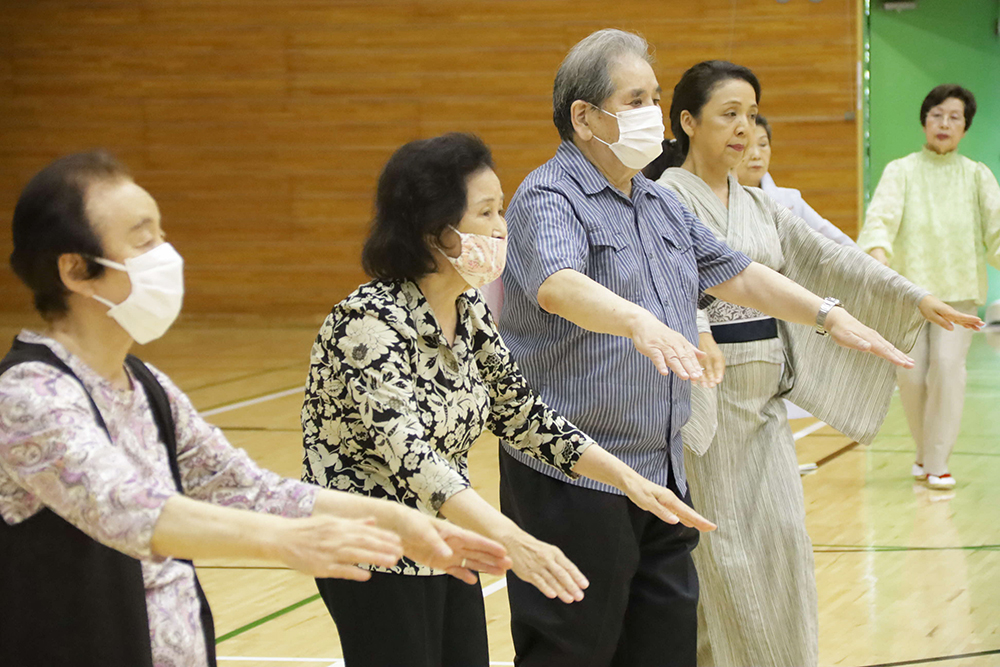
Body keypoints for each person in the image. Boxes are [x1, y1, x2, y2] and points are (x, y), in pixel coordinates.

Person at [496, 30, 962, 667]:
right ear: (585, 116)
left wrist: (828, 314)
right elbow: (557, 285)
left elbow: (738, 273)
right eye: (635, 100)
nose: (651, 116)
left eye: (654, 100)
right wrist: (640, 321)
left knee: (663, 645)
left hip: (662, 469)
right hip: (577, 472)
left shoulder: (655, 201)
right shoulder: (548, 196)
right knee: (572, 649)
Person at [0, 151, 509, 667]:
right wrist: (286, 540)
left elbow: (246, 486)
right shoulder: (30, 397)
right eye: (143, 238)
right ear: (76, 270)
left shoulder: (146, 385)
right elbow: (132, 511)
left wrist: (396, 520)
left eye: (162, 233)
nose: (166, 253)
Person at [300, 132, 715, 667]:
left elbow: (524, 416)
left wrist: (627, 479)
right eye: (487, 213)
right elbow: (416, 462)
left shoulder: (468, 310)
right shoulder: (368, 323)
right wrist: (512, 538)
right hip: (373, 547)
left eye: (503, 209)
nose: (503, 227)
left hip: (444, 540)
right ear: (435, 232)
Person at [653, 60, 982, 667]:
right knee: (727, 561)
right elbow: (668, 286)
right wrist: (696, 327)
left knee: (785, 548)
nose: (745, 130)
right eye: (729, 115)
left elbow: (835, 258)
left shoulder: (759, 201)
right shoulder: (665, 200)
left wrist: (912, 295)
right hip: (711, 413)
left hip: (768, 406)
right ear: (686, 122)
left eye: (751, 116)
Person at [857, 84, 1000, 490]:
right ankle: (925, 453)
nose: (944, 123)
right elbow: (880, 220)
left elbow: (998, 230)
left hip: (959, 293)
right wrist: (879, 255)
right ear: (924, 121)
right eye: (937, 115)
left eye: (955, 117)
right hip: (911, 295)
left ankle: (937, 461)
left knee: (948, 372)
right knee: (913, 376)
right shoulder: (901, 170)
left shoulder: (977, 175)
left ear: (965, 128)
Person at [737, 115, 857, 247]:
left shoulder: (790, 201)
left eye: (763, 144)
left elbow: (834, 241)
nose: (756, 155)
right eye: (746, 146)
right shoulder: (719, 200)